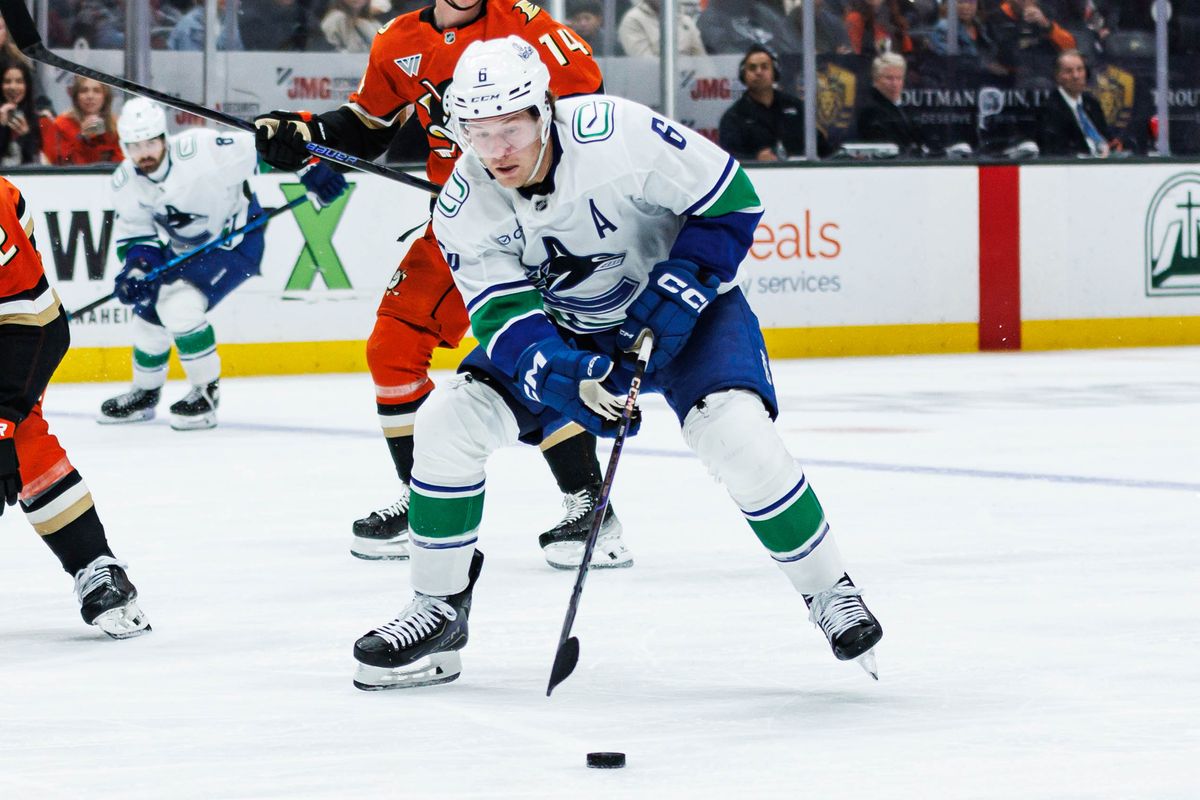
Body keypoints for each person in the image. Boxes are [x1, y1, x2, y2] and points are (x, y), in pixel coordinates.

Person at [350, 36, 884, 691]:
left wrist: (685, 280)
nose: (497, 151)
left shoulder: (618, 133)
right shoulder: (463, 201)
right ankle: (438, 611)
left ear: (545, 109)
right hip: (569, 328)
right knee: (447, 423)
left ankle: (829, 590)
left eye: (511, 128)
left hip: (692, 318)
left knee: (738, 436)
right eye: (478, 133)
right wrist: (561, 371)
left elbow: (731, 197)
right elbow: (500, 316)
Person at [253, 0, 630, 569]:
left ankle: (590, 505)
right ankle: (424, 497)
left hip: (541, 220)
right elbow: (364, 127)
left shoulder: (525, 26)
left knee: (532, 354)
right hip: (460, 220)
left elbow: (586, 113)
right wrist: (303, 134)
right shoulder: (397, 41)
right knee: (393, 346)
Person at [97, 98, 346, 430]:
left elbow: (269, 147)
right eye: (134, 145)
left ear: (163, 137)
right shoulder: (125, 182)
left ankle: (206, 393)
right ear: (123, 146)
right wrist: (138, 270)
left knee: (179, 307)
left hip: (237, 242)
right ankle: (145, 393)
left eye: (150, 142)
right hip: (186, 250)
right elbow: (137, 237)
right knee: (147, 310)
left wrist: (310, 169)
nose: (144, 153)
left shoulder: (203, 150)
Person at [0, 176, 151, 639]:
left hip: (9, 330)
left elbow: (39, 328)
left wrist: (2, 422)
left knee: (21, 437)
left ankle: (94, 563)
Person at [718, 45, 830, 161]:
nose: (759, 72)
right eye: (752, 68)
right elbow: (728, 160)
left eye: (764, 67)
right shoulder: (734, 117)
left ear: (774, 73)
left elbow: (822, 148)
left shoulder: (796, 107)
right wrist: (755, 159)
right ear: (744, 76)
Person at [1034, 49, 1122, 156]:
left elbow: (1108, 138)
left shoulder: (1092, 104)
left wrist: (1113, 145)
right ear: (1058, 76)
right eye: (1069, 71)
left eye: (1080, 70)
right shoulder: (1049, 109)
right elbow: (1056, 150)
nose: (1076, 76)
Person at [855, 52, 927, 154]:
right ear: (876, 79)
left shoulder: (904, 108)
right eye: (889, 78)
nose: (895, 83)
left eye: (899, 78)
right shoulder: (870, 109)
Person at [43, 76, 121, 165]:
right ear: (76, 97)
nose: (90, 96)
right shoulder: (61, 124)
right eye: (84, 91)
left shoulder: (116, 125)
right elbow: (61, 164)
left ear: (105, 97)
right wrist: (82, 138)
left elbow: (122, 163)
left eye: (96, 91)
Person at [618, 0, 706, 56]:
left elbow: (703, 63)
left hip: (688, 81)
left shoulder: (685, 21)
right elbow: (645, 65)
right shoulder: (633, 20)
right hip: (651, 83)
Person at [0, 61, 45, 166]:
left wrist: (26, 135)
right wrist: (1, 127)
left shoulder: (36, 118)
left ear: (27, 86)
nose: (13, 87)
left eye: (19, 81)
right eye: (7, 81)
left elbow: (34, 161)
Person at [845, 0, 913, 55]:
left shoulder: (893, 15)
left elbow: (907, 49)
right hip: (867, 67)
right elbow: (853, 52)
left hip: (896, 66)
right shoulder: (855, 18)